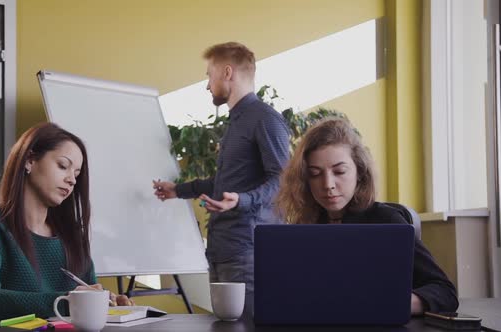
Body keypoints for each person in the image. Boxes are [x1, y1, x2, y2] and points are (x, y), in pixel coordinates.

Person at [275, 117, 459, 314]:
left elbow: (445, 292)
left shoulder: (387, 221)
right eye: (315, 173)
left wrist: (387, 303)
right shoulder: (305, 226)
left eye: (339, 171)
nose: (328, 184)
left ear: (359, 172)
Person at [152, 42, 291, 298]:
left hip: (248, 252)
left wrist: (242, 200)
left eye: (209, 75)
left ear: (227, 73)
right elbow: (226, 183)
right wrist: (178, 191)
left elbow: (284, 180)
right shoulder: (236, 122)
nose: (207, 85)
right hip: (222, 251)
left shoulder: (265, 118)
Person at [0, 122, 131, 323]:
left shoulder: (72, 235)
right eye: (63, 166)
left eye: (76, 174)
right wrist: (66, 302)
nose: (72, 180)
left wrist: (105, 302)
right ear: (29, 160)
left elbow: (87, 292)